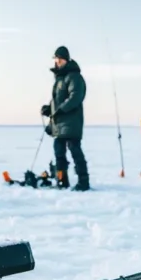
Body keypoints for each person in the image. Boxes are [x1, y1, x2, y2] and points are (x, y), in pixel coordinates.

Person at [41, 46, 90, 191]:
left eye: (60, 59)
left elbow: (76, 97)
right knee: (58, 151)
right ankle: (62, 181)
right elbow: (57, 100)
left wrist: (61, 109)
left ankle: (83, 182)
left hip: (71, 122)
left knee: (75, 150)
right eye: (56, 59)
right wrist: (49, 109)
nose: (58, 62)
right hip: (59, 123)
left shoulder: (74, 77)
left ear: (67, 60)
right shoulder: (59, 79)